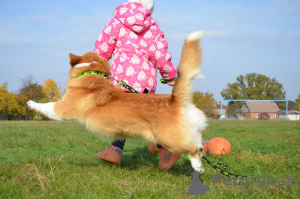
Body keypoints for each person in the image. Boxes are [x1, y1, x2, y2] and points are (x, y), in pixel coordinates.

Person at [93, 0, 180, 170]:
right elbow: (161, 55)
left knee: (125, 118)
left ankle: (116, 150)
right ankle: (163, 151)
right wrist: (170, 77)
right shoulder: (154, 29)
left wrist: (97, 69)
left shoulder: (117, 22)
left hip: (121, 81)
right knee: (142, 120)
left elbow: (103, 47)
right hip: (144, 84)